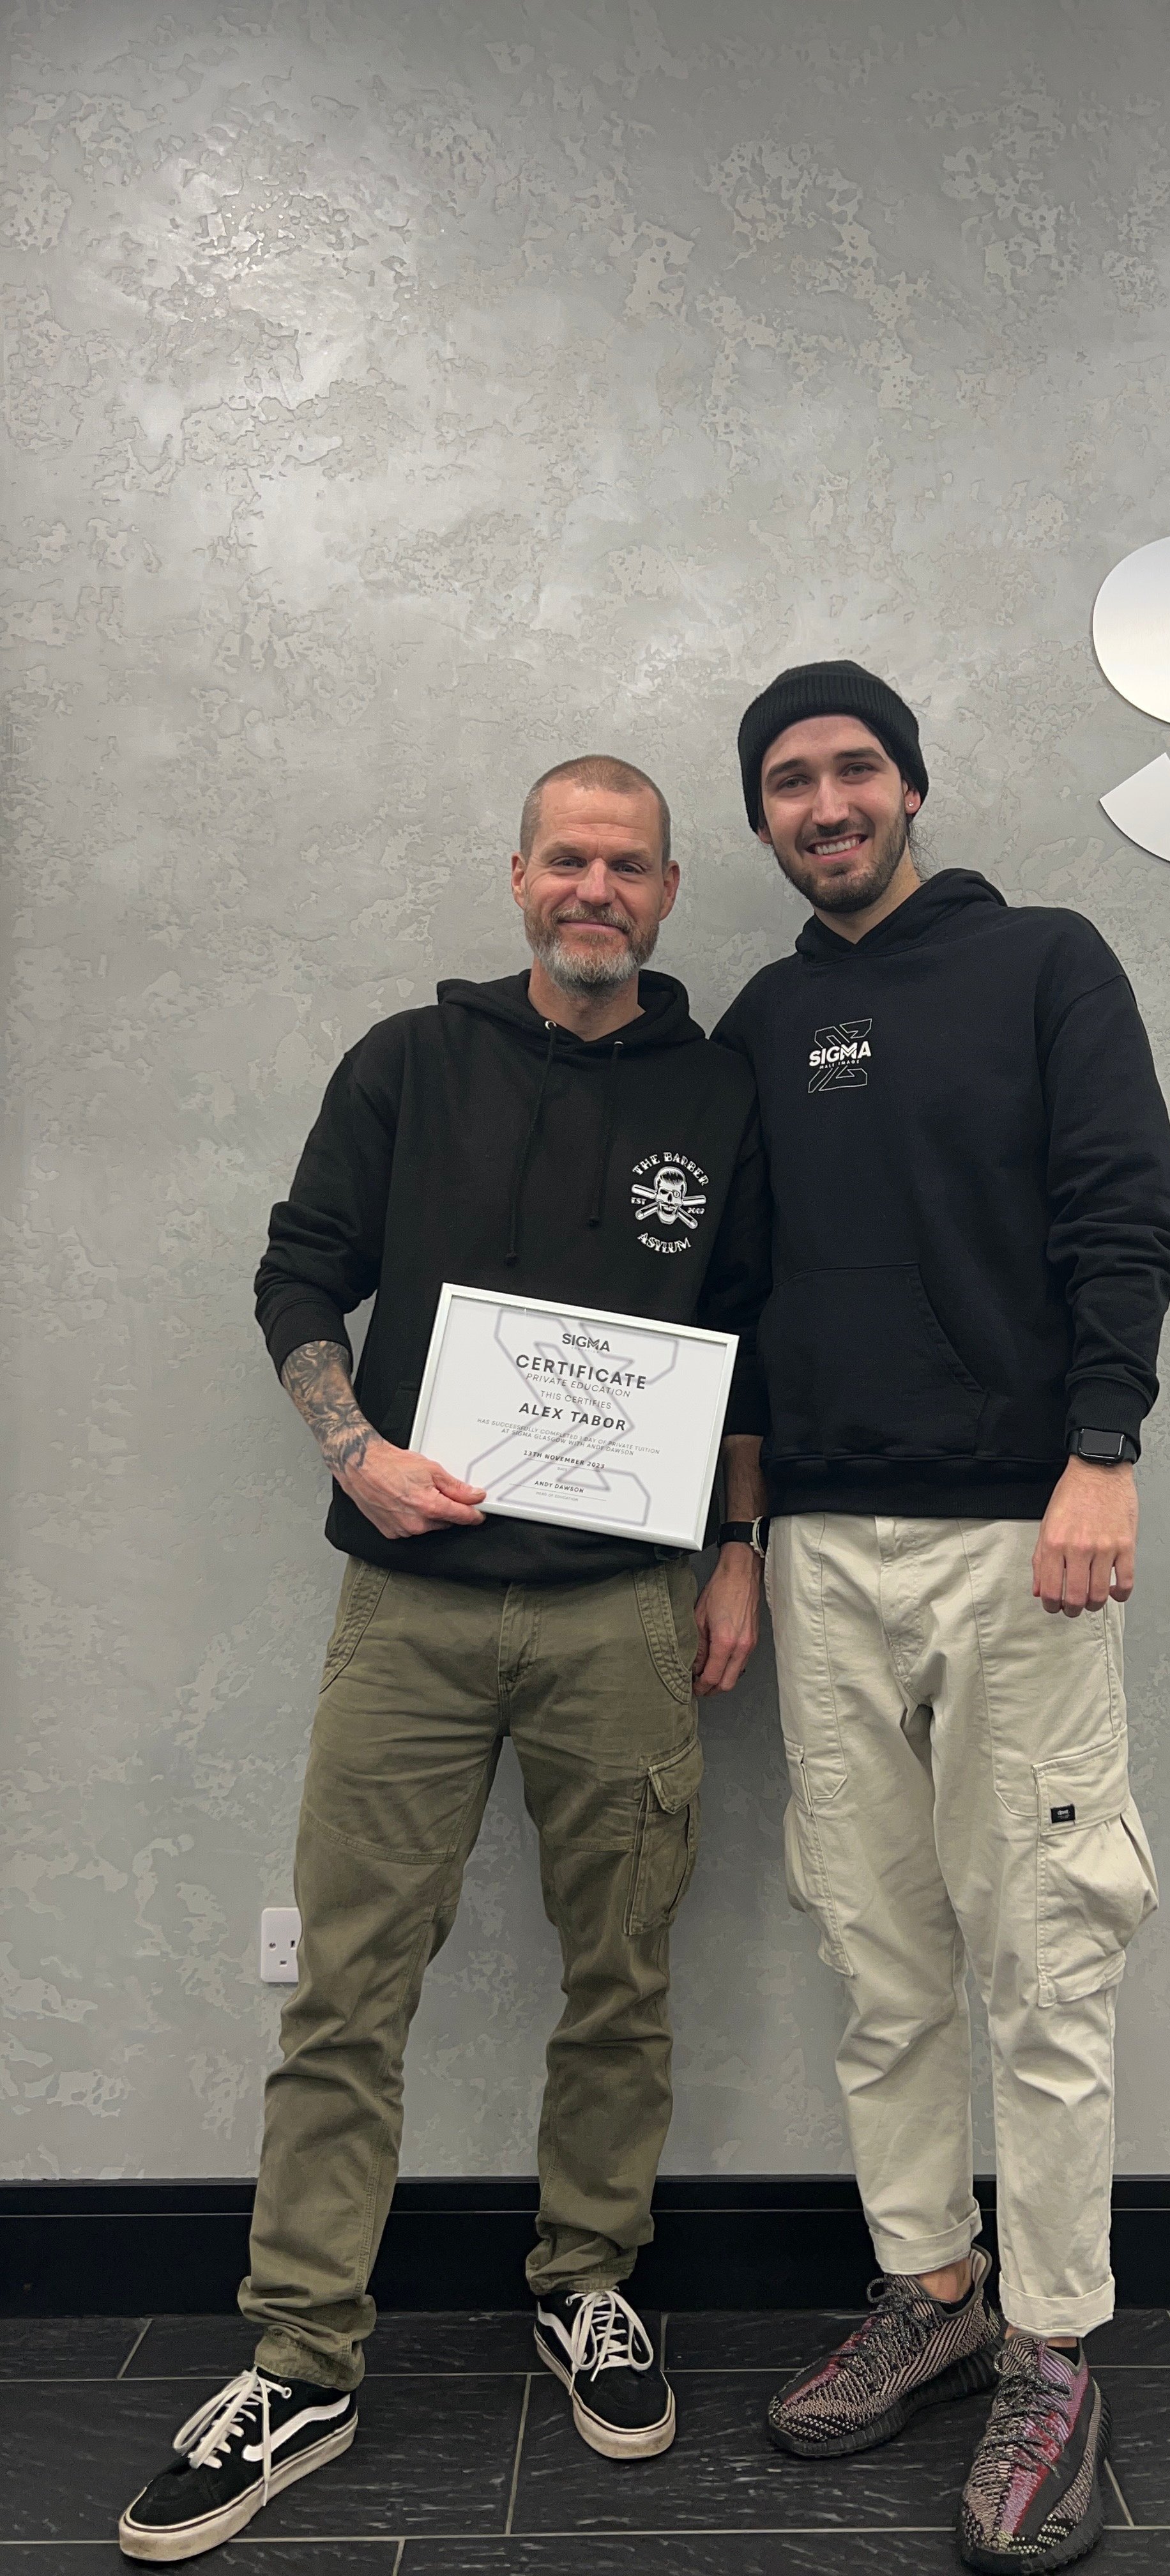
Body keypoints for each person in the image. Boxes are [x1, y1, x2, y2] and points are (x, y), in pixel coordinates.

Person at [118, 755, 771, 2563]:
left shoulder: (718, 1091)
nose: (593, 887)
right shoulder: (407, 1063)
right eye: (566, 857)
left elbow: (745, 1338)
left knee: (621, 1973)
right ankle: (304, 2357)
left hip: (625, 1613)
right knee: (348, 1986)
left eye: (625, 865)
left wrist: (735, 1558)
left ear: (660, 891)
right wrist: (355, 1450)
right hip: (408, 1602)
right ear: (515, 877)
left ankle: (586, 2280)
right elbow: (295, 1275)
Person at [713, 662, 1170, 2576]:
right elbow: (730, 1301)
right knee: (875, 1952)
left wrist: (1104, 1450)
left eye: (849, 770)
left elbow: (1123, 1210)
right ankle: (934, 2286)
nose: (823, 804)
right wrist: (738, 1536)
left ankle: (1056, 2351)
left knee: (1046, 1957)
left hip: (1023, 1539)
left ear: (910, 785)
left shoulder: (1048, 964)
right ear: (761, 824)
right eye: (785, 784)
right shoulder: (759, 1018)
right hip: (823, 1545)